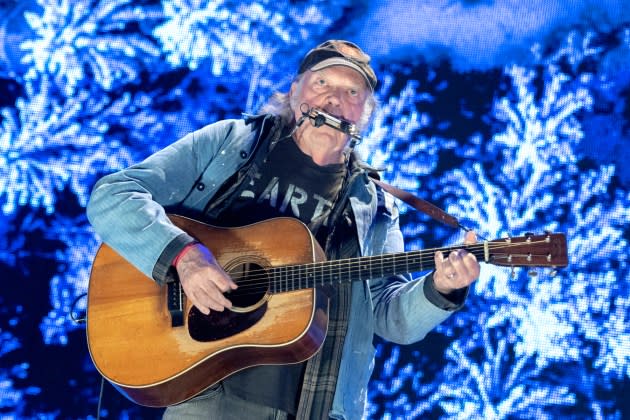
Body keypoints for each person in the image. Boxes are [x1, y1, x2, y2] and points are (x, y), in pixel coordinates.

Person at [86, 40, 480, 420]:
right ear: (295, 93)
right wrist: (183, 257)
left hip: (320, 405)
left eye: (352, 91)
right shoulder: (234, 144)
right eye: (322, 83)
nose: (334, 98)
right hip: (212, 396)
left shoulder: (375, 206)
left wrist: (441, 289)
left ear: (365, 114)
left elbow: (390, 315)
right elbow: (113, 195)